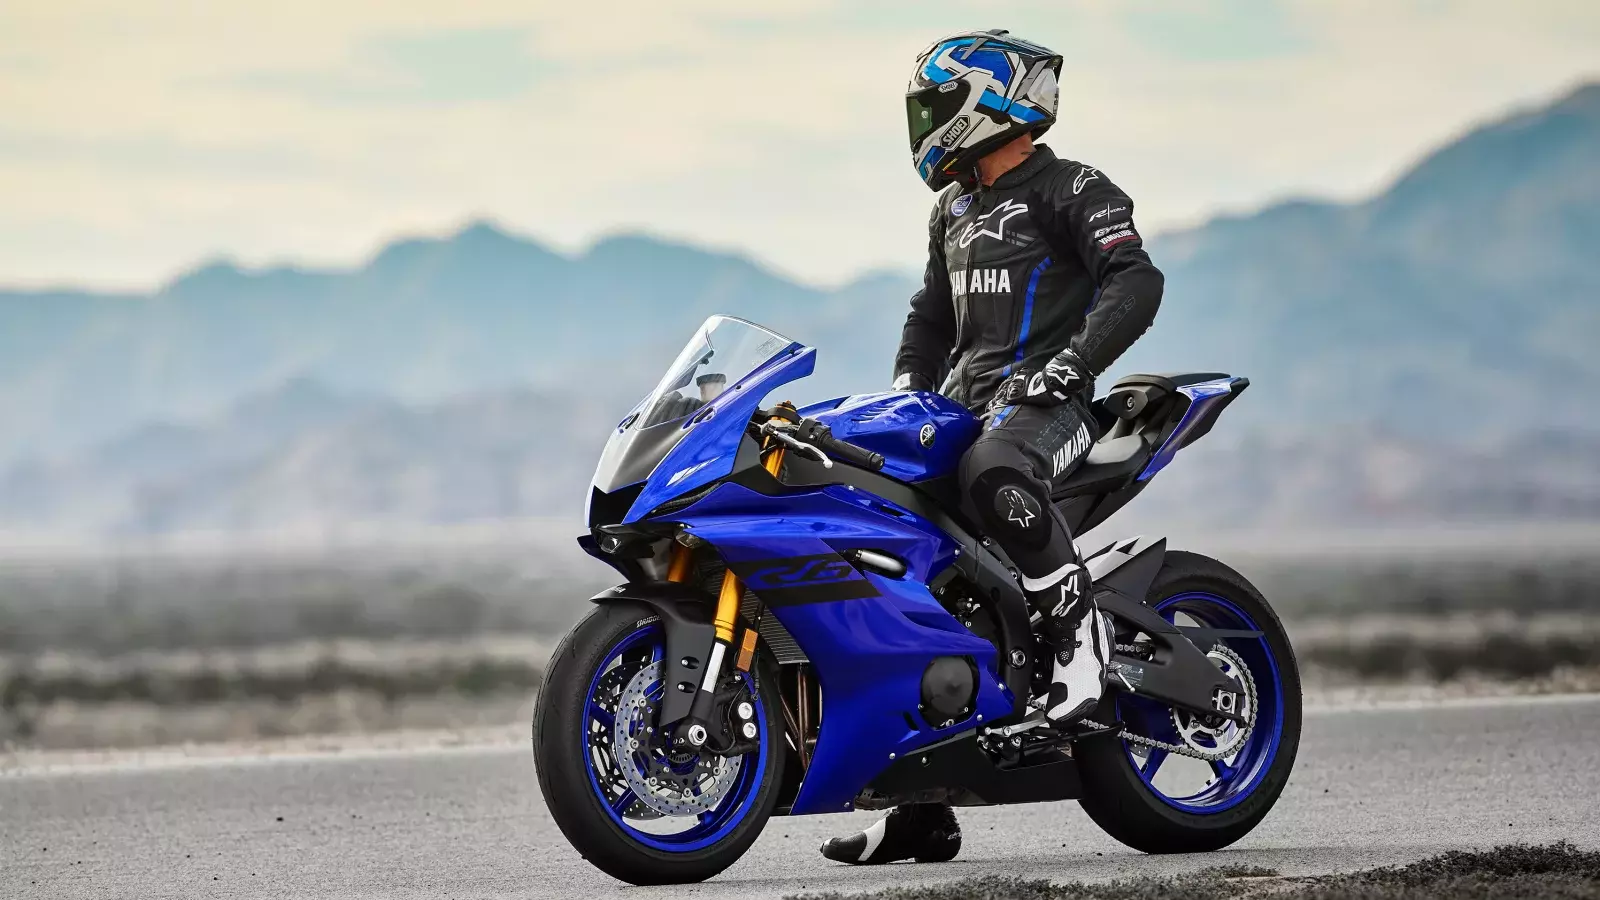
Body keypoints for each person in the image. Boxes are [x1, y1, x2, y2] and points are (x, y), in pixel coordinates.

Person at [820, 29, 1164, 866]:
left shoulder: (1072, 188)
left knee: (993, 468)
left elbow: (1136, 280)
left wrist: (1073, 365)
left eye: (937, 104)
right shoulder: (952, 209)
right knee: (891, 546)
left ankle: (1079, 646)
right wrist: (905, 393)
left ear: (993, 99)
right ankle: (919, 806)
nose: (924, 122)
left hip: (1052, 408)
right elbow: (930, 318)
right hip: (962, 408)